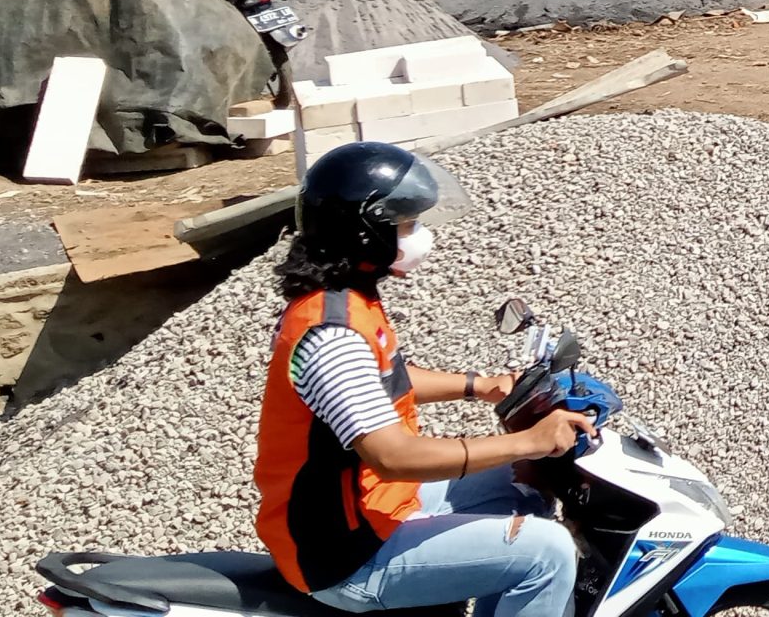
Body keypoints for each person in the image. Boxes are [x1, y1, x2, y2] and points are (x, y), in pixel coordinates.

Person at [255, 143, 595, 617]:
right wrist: (530, 442)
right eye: (407, 224)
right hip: (346, 555)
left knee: (520, 485)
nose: (418, 235)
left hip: (367, 502)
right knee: (548, 553)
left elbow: (383, 378)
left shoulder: (343, 300)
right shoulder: (330, 335)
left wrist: (481, 385)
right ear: (365, 233)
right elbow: (395, 457)